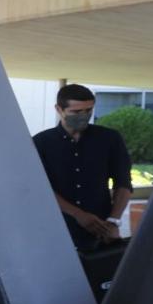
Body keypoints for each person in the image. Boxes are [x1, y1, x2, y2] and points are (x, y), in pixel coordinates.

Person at [33, 84, 133, 251]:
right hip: (56, 230)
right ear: (59, 109)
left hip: (102, 231)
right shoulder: (41, 143)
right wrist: (79, 215)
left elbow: (123, 182)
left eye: (88, 110)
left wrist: (114, 221)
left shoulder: (109, 139)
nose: (84, 116)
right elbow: (40, 188)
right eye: (76, 112)